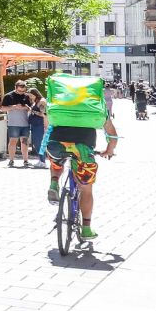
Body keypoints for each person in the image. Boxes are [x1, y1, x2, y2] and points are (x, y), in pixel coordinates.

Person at [43, 74, 119, 242]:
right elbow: (112, 136)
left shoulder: (58, 104)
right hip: (83, 149)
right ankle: (86, 228)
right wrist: (108, 150)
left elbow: (47, 125)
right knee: (86, 189)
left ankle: (54, 182)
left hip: (57, 144)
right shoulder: (96, 108)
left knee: (56, 162)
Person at [0, 85, 32, 167]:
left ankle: (25, 160)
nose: (21, 93)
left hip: (25, 123)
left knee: (25, 142)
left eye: (23, 91)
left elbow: (30, 108)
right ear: (15, 88)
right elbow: (3, 108)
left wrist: (26, 108)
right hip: (13, 123)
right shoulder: (8, 96)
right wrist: (14, 107)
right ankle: (11, 160)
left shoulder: (26, 96)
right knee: (13, 141)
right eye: (20, 91)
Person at [27, 88, 49, 166]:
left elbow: (43, 113)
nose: (30, 97)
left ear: (35, 94)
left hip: (39, 125)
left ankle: (43, 161)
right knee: (36, 143)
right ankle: (40, 160)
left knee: (38, 143)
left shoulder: (41, 101)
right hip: (34, 124)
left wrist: (33, 111)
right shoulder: (36, 101)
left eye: (31, 95)